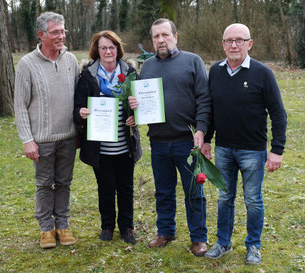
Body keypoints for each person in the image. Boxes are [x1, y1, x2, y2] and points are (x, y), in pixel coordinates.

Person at [202, 24, 287, 264]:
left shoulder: (262, 73)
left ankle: (253, 246)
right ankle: (223, 242)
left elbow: (278, 114)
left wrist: (277, 150)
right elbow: (210, 109)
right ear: (223, 44)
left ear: (250, 43)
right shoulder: (215, 71)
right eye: (229, 40)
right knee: (224, 198)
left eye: (240, 40)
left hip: (253, 150)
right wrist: (207, 139)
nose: (234, 45)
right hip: (224, 149)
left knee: (253, 200)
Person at [128, 18, 211, 256]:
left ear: (176, 36)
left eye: (165, 35)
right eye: (156, 36)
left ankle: (199, 237)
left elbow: (204, 100)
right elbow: (142, 103)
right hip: (159, 140)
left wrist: (201, 130)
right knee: (163, 191)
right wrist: (134, 104)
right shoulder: (149, 66)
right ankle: (165, 231)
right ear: (152, 41)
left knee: (194, 191)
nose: (161, 40)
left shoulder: (193, 61)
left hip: (187, 141)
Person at [14, 12, 79, 249]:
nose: (60, 36)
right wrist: (28, 140)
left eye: (62, 31)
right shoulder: (26, 64)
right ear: (41, 34)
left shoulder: (71, 60)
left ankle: (63, 225)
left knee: (64, 183)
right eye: (55, 32)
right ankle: (46, 230)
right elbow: (19, 105)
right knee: (44, 184)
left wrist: (79, 132)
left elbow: (78, 99)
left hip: (68, 137)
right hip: (41, 140)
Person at [74, 31, 141, 245]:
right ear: (97, 50)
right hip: (99, 147)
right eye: (103, 47)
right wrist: (81, 113)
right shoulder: (87, 76)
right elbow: (77, 106)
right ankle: (107, 226)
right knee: (105, 188)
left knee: (126, 188)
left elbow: (140, 105)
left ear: (118, 49)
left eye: (112, 46)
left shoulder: (129, 72)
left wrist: (135, 117)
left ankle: (127, 227)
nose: (108, 51)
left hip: (125, 144)